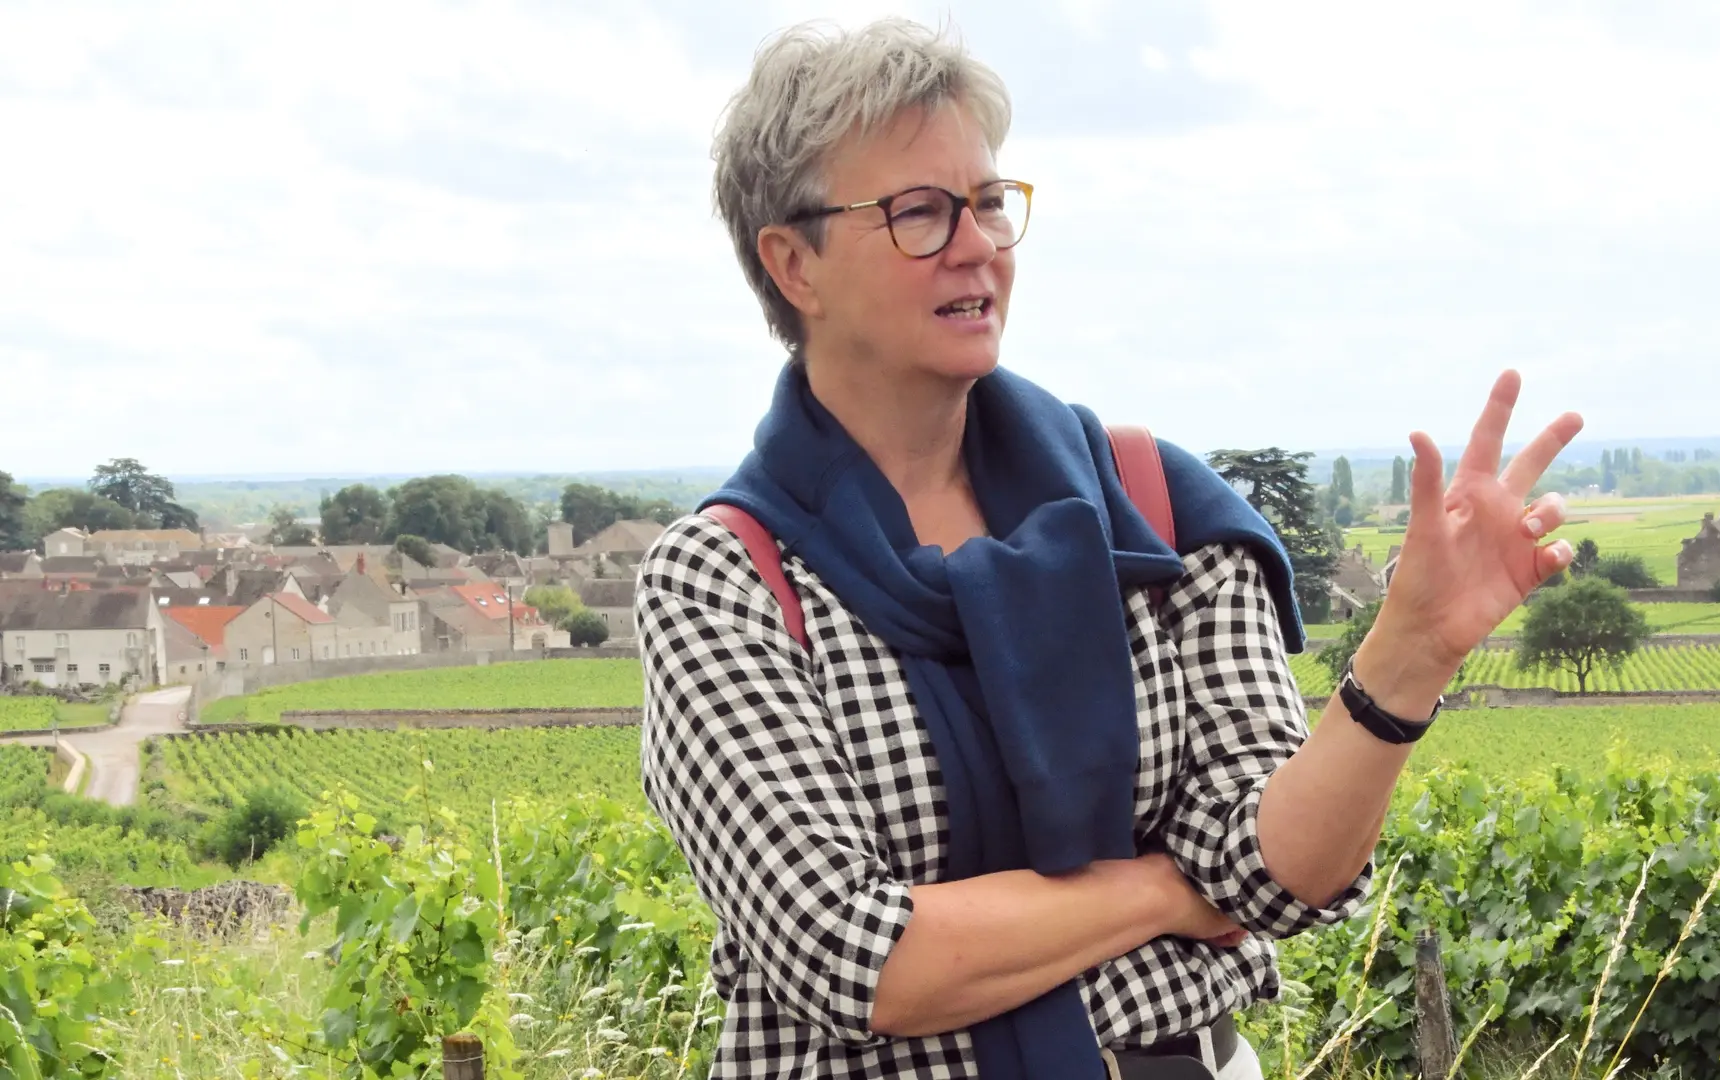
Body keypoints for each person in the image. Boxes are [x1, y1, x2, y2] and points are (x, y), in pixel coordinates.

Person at [635, 18, 1582, 1080]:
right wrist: (1166, 888)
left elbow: (1279, 873)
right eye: (918, 212)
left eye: (989, 202)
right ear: (792, 261)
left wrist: (1408, 655)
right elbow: (860, 958)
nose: (979, 243)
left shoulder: (1149, 506)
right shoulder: (725, 582)